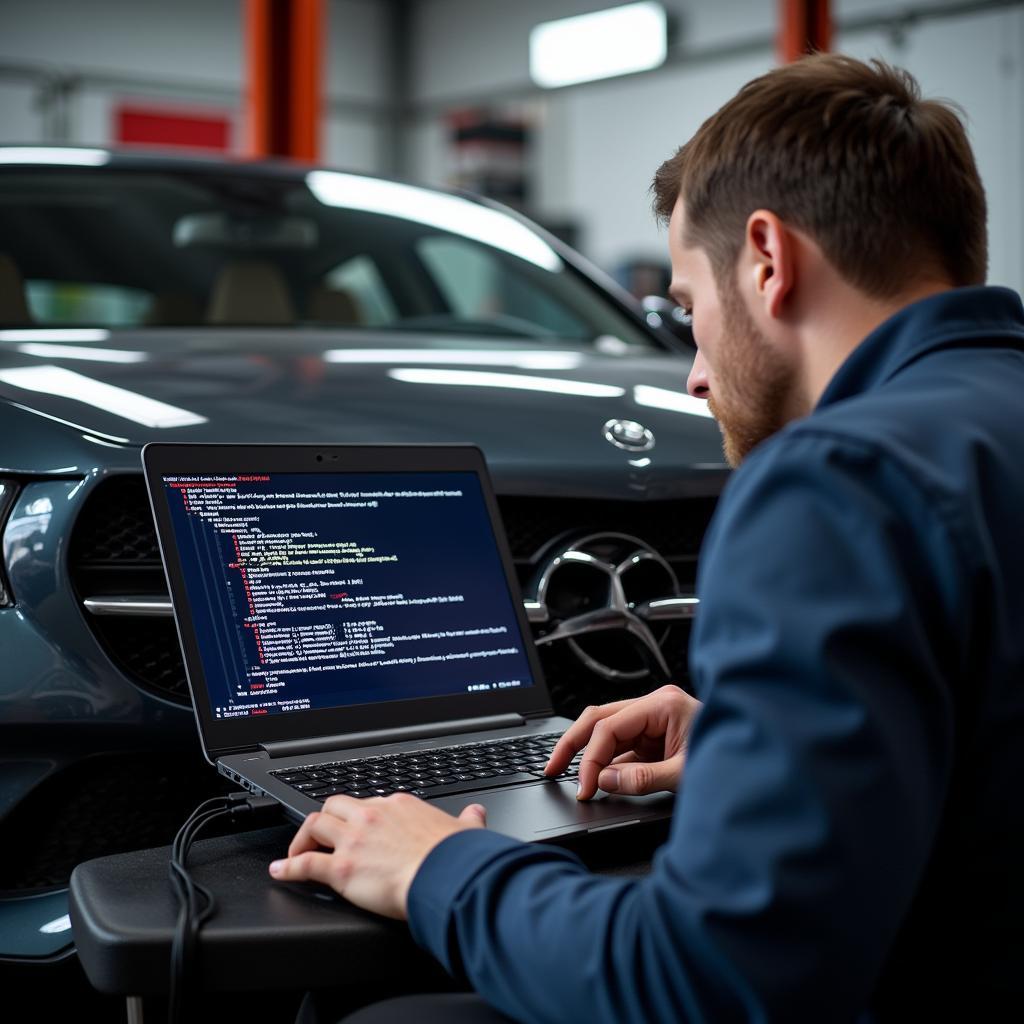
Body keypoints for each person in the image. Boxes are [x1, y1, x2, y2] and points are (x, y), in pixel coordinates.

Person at [269, 54, 1024, 1021]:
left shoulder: (838, 482)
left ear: (767, 260)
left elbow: (707, 982)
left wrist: (440, 867)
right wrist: (758, 746)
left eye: (687, 312)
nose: (694, 375)